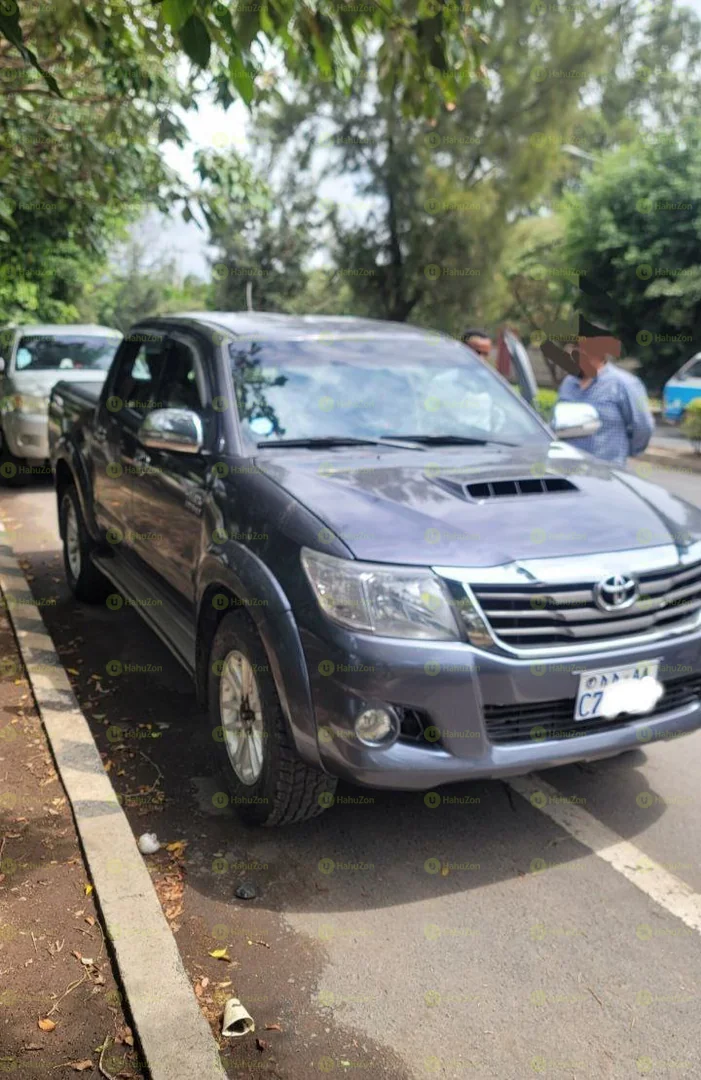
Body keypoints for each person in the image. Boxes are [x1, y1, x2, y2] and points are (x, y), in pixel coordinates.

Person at [557, 316, 654, 465]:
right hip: (568, 470)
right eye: (576, 345)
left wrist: (627, 451)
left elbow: (643, 426)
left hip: (607, 471)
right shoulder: (568, 384)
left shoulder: (623, 384)